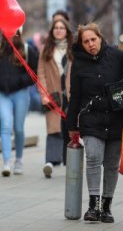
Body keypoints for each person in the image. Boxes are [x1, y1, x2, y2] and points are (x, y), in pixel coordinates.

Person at [67, 23, 123, 223]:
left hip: (118, 118)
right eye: (86, 41)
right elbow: (74, 97)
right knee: (93, 157)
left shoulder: (115, 55)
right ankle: (93, 205)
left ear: (100, 38)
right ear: (81, 45)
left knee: (111, 164)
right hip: (91, 118)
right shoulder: (78, 64)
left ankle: (106, 207)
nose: (91, 44)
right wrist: (72, 126)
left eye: (94, 39)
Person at [0, 30, 38, 176]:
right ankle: (6, 162)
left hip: (21, 93)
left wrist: (21, 81)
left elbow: (34, 73)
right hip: (3, 94)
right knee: (5, 126)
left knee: (18, 128)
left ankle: (18, 159)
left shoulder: (27, 50)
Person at [37, 19, 73, 178]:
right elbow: (41, 74)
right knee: (53, 129)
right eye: (56, 28)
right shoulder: (46, 49)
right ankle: (50, 162)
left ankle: (70, 162)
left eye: (62, 28)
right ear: (52, 31)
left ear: (67, 30)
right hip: (53, 95)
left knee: (70, 128)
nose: (58, 30)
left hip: (71, 95)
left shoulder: (74, 49)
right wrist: (44, 94)